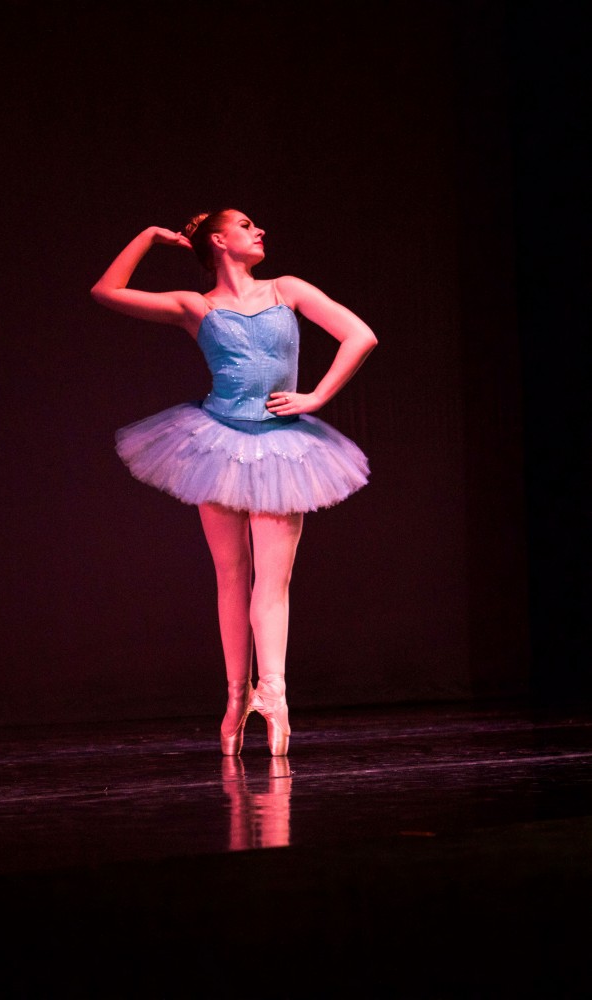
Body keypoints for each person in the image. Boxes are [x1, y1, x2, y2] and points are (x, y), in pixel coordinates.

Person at [91, 208, 378, 757]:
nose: (261, 230)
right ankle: (233, 697)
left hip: (281, 445)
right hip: (217, 441)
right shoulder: (194, 307)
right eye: (247, 225)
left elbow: (359, 335)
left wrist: (316, 396)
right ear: (220, 240)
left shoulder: (286, 289)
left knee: (271, 583)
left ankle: (274, 697)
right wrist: (151, 235)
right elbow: (107, 291)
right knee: (230, 576)